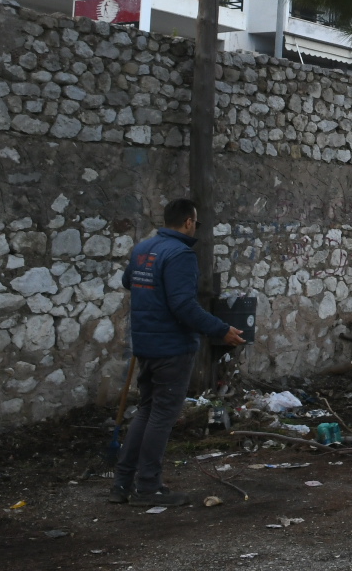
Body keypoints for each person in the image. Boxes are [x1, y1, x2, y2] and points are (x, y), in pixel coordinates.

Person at [111, 197, 245, 507]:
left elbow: (128, 281)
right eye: (195, 223)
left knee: (146, 410)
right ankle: (148, 486)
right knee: (162, 415)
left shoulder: (143, 249)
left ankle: (122, 483)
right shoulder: (181, 255)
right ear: (188, 222)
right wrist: (220, 329)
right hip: (171, 346)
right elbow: (183, 305)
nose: (194, 228)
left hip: (145, 344)